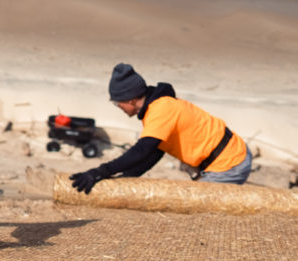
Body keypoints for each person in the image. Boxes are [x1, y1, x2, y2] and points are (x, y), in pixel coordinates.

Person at [70, 62, 251, 193]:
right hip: (224, 158)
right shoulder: (156, 109)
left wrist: (99, 171)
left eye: (118, 103)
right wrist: (126, 178)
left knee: (203, 216)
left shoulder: (161, 109)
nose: (119, 108)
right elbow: (154, 153)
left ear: (131, 99)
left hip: (229, 162)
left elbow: (142, 150)